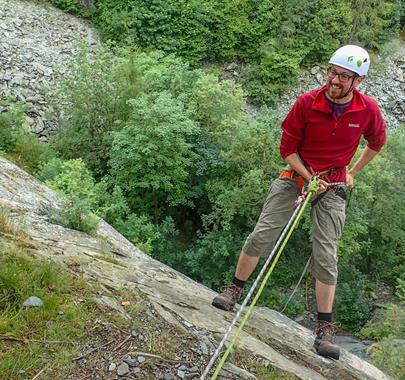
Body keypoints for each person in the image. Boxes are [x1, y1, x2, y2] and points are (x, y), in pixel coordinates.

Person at [211, 45, 387, 360]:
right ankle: (233, 289)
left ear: (357, 81)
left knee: (326, 254)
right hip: (296, 174)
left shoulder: (367, 110)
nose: (335, 80)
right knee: (263, 232)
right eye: (333, 72)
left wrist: (352, 173)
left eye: (344, 76)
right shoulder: (307, 103)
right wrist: (307, 177)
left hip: (333, 183)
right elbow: (287, 148)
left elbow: (377, 142)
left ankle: (324, 329)